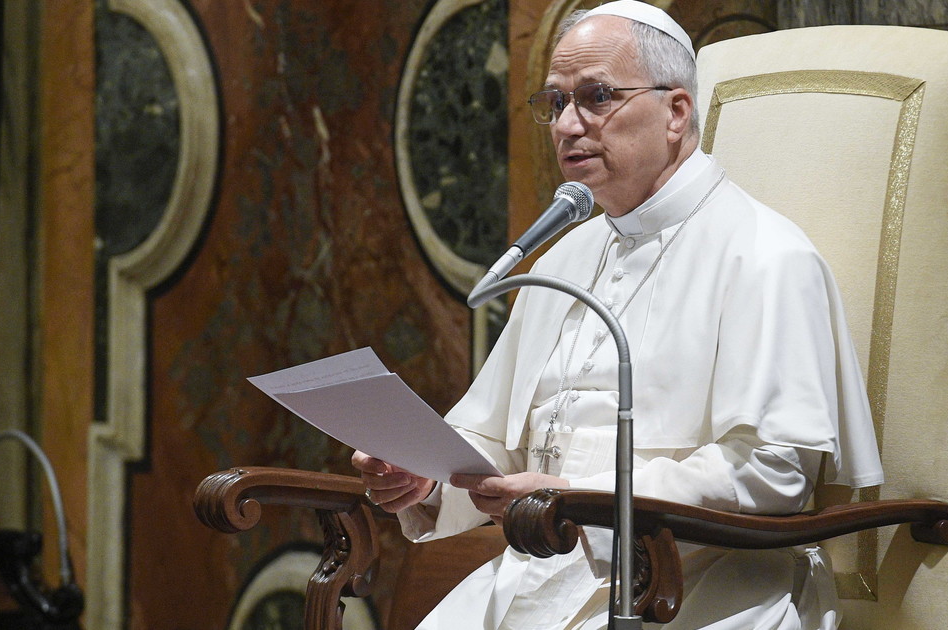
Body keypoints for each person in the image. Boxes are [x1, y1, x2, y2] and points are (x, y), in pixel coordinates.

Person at [353, 1, 884, 628]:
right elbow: (496, 434)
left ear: (676, 112)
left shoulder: (766, 255)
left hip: (701, 583)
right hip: (540, 568)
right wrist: (427, 474)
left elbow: (772, 470)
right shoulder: (568, 255)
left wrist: (582, 499)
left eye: (596, 97)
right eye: (555, 103)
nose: (566, 126)